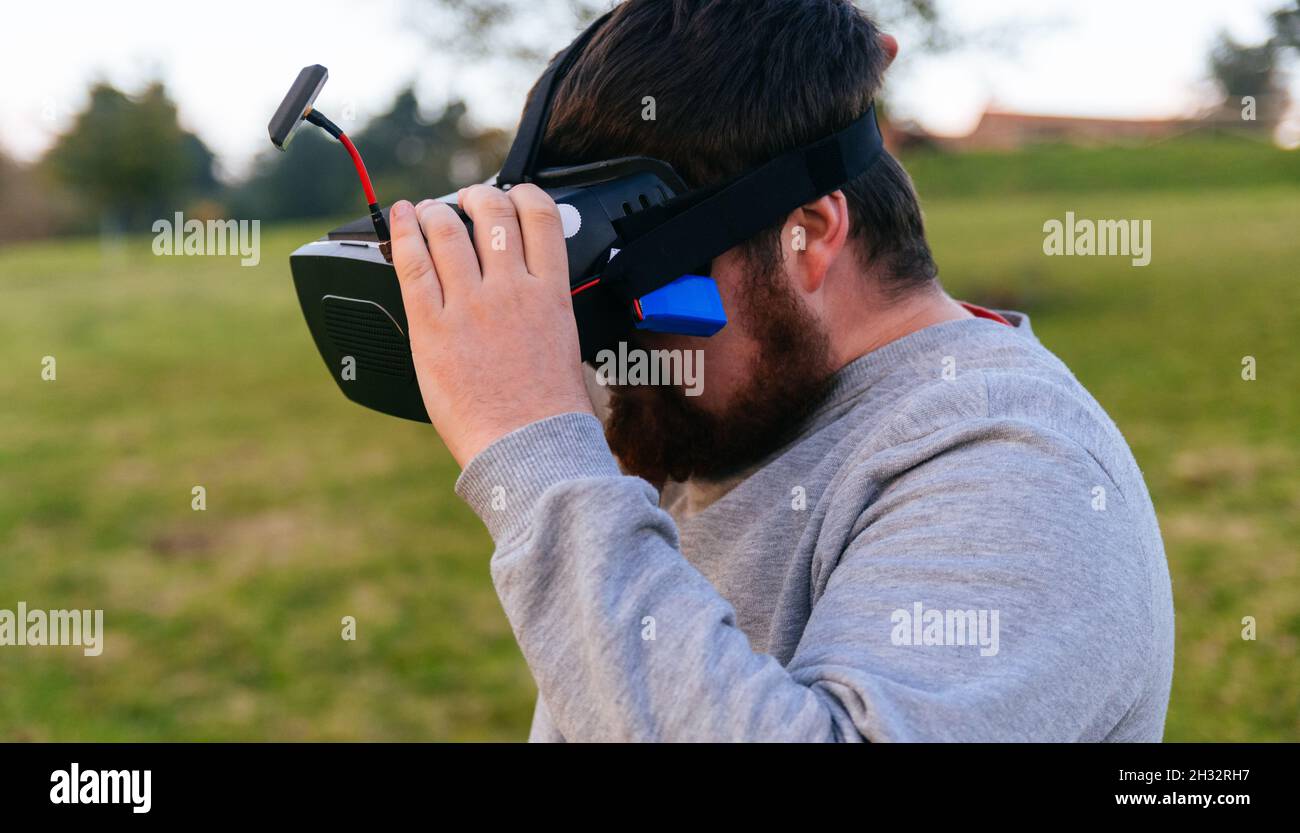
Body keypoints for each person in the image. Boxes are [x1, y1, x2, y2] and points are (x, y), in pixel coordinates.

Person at [385, 0, 1175, 741]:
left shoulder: (1017, 462)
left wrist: (532, 451)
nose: (610, 354)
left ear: (810, 235)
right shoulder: (718, 403)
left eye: (640, 293)